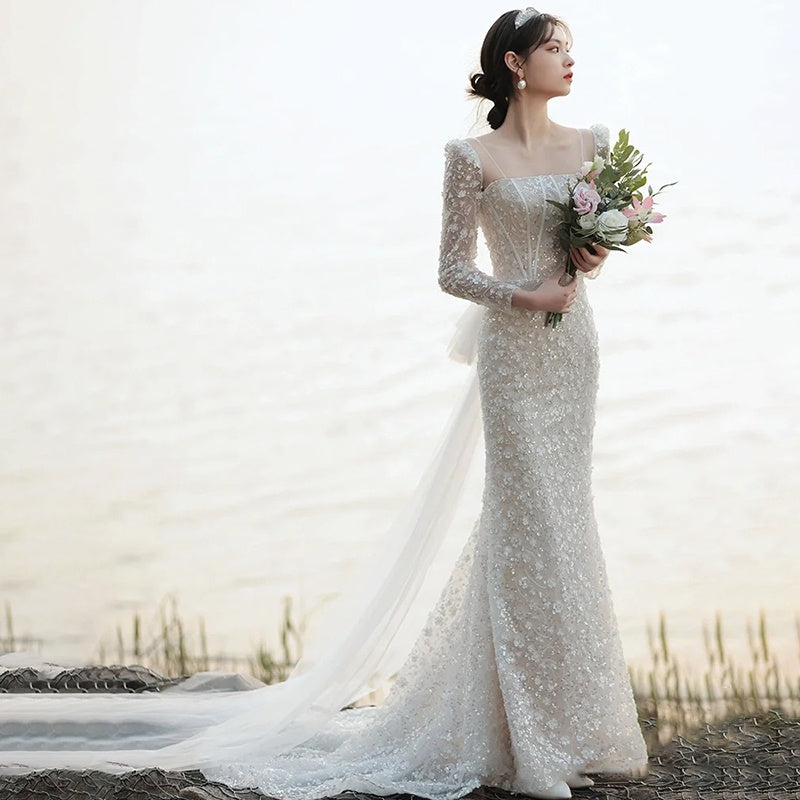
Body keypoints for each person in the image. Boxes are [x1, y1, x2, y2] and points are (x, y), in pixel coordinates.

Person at [0, 8, 649, 800]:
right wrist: (519, 293)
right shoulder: (467, 155)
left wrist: (589, 257)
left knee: (566, 516)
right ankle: (527, 742)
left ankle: (576, 725)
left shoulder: (593, 143)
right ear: (516, 64)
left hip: (572, 350)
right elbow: (449, 268)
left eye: (570, 50)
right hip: (513, 358)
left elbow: (591, 257)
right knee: (523, 519)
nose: (569, 61)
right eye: (555, 49)